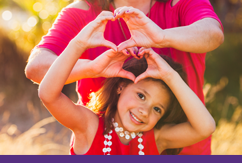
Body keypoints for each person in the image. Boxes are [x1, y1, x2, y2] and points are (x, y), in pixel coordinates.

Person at [25, 0, 224, 154]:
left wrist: (161, 37)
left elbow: (212, 33)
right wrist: (92, 67)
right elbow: (36, 68)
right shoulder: (83, 14)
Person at [38, 12, 216, 155]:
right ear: (120, 87)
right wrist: (81, 50)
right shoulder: (89, 126)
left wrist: (170, 76)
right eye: (141, 96)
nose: (144, 111)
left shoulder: (156, 139)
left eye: (157, 109)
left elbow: (205, 128)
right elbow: (48, 95)